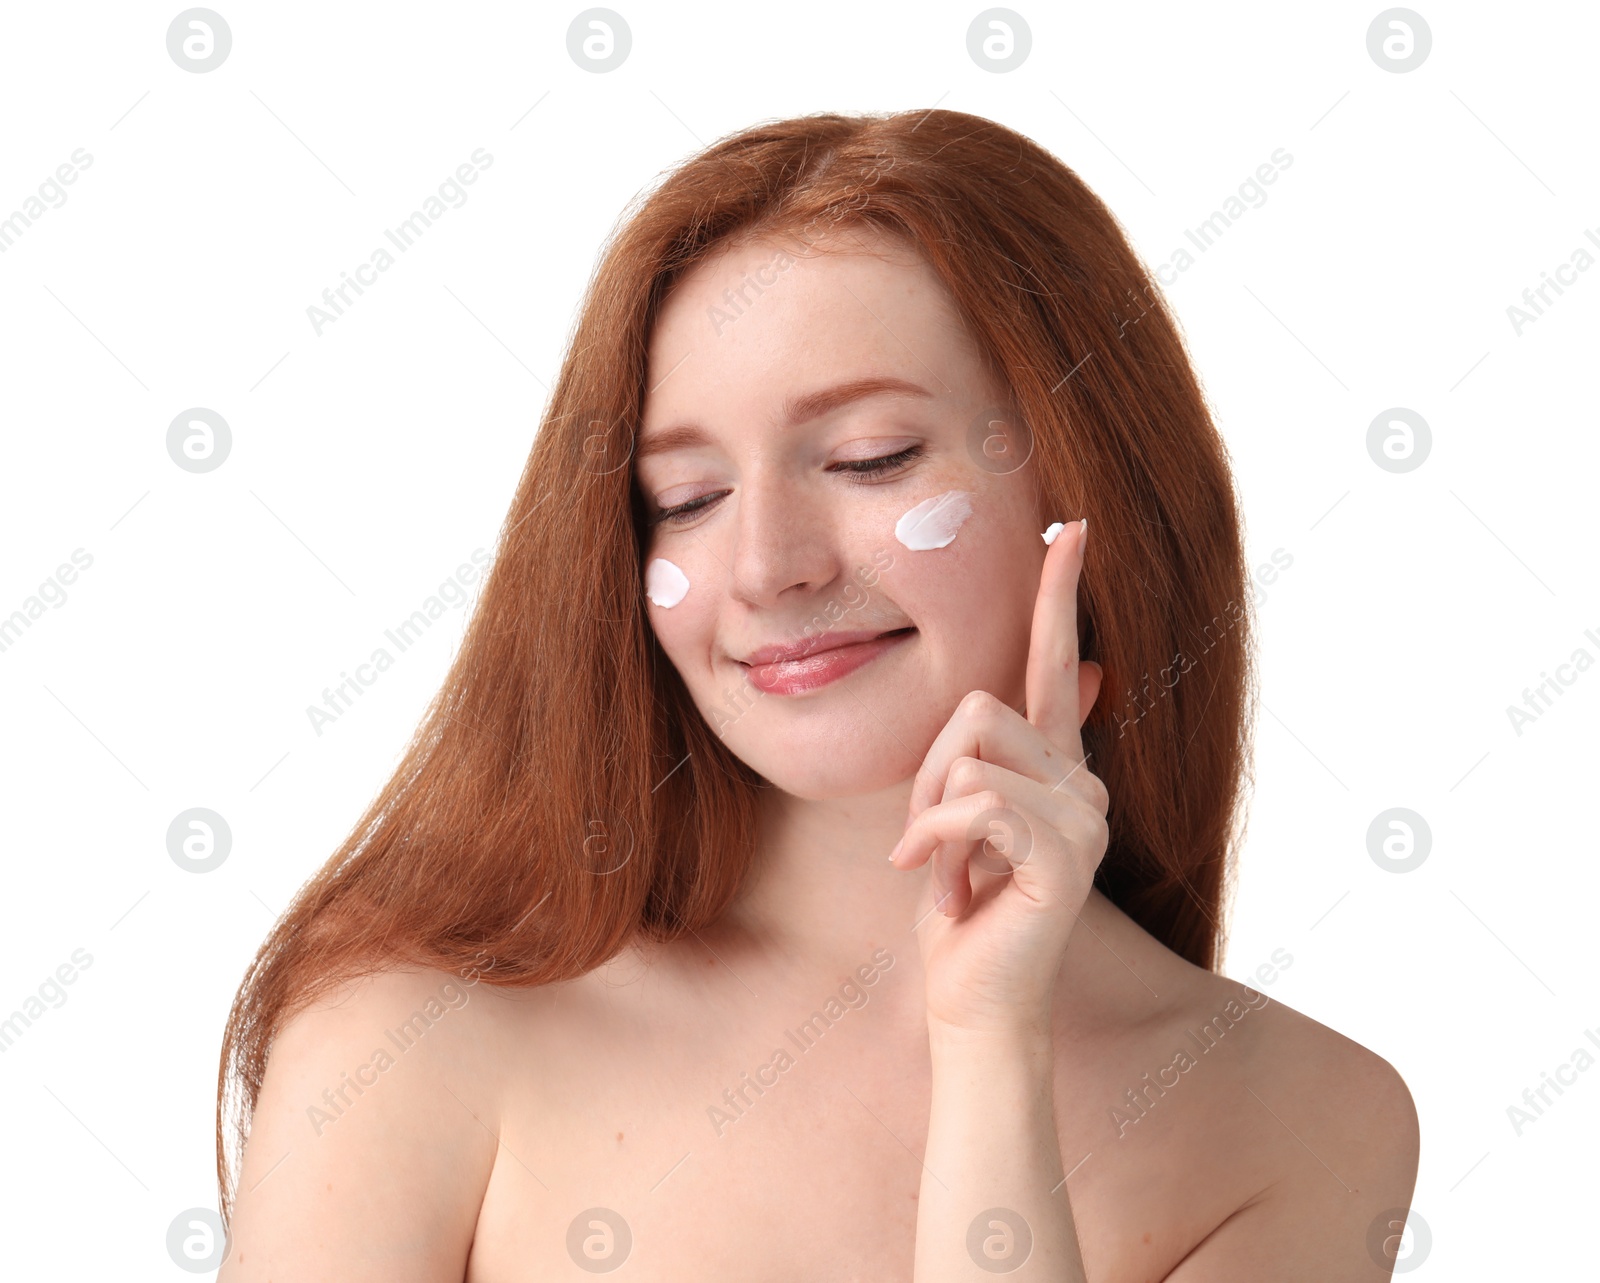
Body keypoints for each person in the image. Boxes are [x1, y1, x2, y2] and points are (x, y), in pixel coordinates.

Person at [216, 108, 1419, 1280]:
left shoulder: (1300, 1120)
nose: (765, 565)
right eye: (685, 496)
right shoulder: (407, 1034)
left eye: (869, 459)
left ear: (1093, 480)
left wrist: (992, 1047)